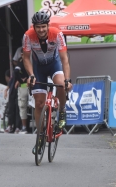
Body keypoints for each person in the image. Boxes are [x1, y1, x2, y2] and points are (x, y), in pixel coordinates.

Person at [22, 11, 72, 154]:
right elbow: (26, 58)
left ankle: (62, 111)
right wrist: (31, 75)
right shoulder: (28, 36)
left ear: (48, 26)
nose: (41, 30)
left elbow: (64, 59)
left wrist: (67, 79)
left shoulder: (57, 34)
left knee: (61, 84)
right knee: (39, 103)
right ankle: (40, 137)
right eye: (38, 27)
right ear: (34, 27)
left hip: (54, 64)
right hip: (38, 68)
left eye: (44, 26)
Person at [14, 52, 29, 134]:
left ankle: (24, 127)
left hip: (24, 87)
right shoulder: (35, 60)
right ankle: (42, 127)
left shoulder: (22, 61)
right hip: (35, 86)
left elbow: (16, 71)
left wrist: (20, 80)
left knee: (23, 106)